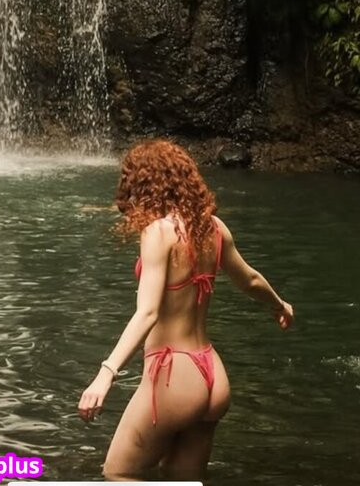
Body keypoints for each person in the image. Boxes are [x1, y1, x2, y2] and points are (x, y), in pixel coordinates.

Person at [78, 139, 294, 482]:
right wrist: (279, 306)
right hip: (212, 374)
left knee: (117, 475)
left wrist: (106, 374)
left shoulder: (158, 232)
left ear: (146, 184)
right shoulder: (215, 228)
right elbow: (251, 280)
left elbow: (148, 313)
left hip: (172, 376)